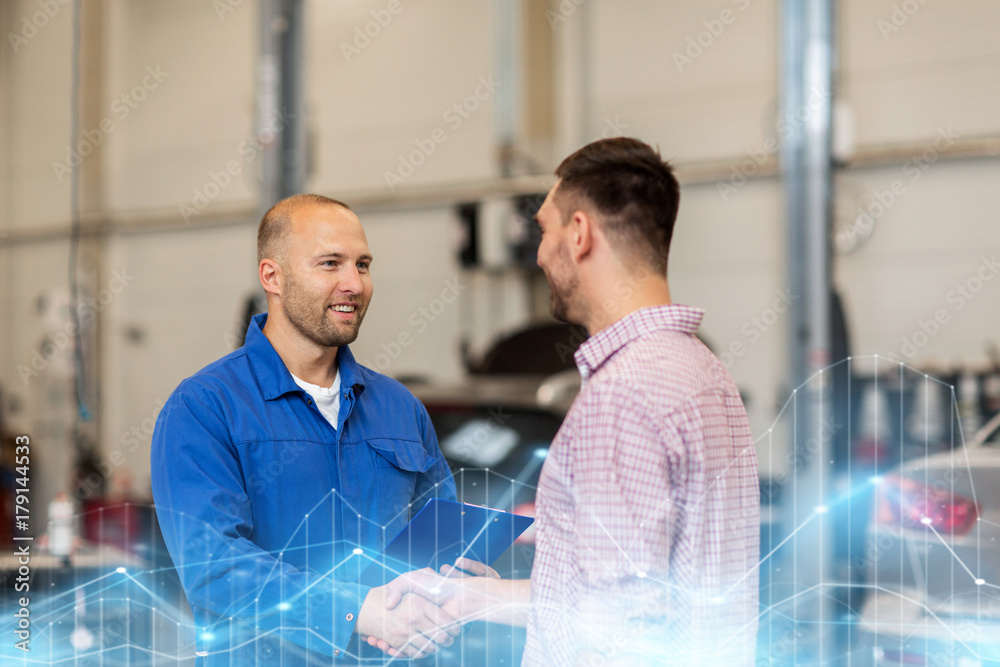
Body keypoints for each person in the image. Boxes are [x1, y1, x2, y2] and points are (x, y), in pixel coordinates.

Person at [374, 138, 761, 665]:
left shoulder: (622, 394)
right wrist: (473, 598)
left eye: (544, 229)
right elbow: (630, 597)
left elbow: (624, 625)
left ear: (579, 234)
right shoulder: (702, 372)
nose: (538, 253)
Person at [151, 194, 464, 665]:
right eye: (330, 264)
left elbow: (443, 536)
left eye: (362, 264)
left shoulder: (401, 409)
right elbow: (212, 565)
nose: (353, 284)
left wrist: (463, 577)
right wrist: (356, 611)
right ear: (272, 277)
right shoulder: (205, 408)